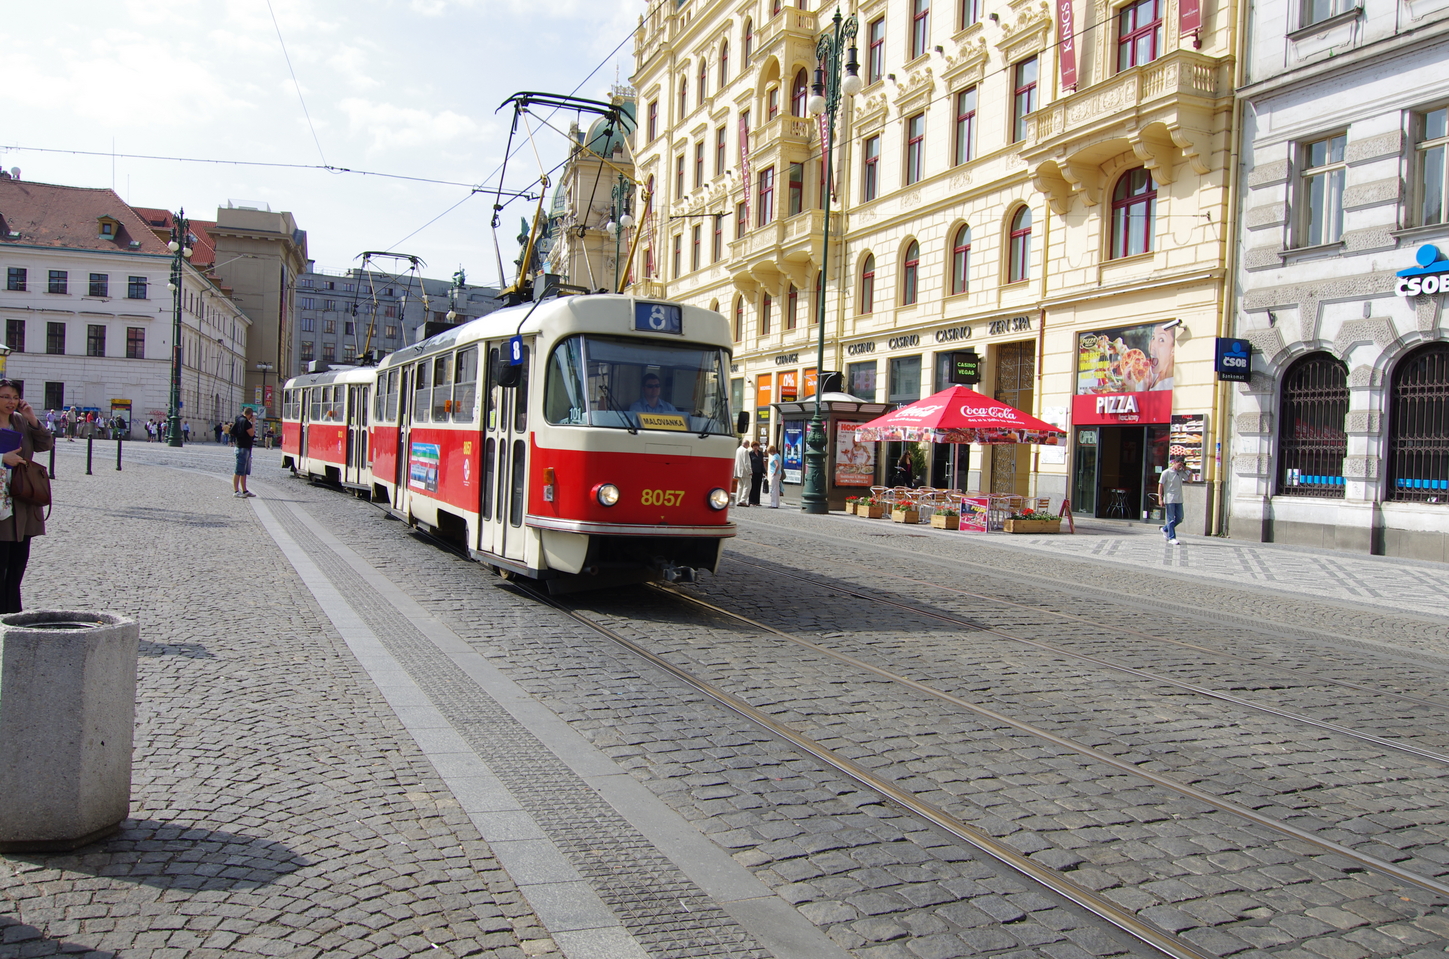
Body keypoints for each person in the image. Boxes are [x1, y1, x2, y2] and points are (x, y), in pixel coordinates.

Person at [0, 380, 53, 613]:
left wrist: (32, 418)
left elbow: (45, 444)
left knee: (18, 563)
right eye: (4, 397)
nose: (10, 401)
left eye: (14, 397)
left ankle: (12, 613)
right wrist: (2, 458)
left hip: (23, 498)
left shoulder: (20, 421)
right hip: (2, 502)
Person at [1159, 454, 1186, 545]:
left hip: (1179, 499)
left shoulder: (1181, 472)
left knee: (1179, 518)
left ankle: (1165, 529)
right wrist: (1160, 498)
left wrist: (1189, 470)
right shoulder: (1166, 472)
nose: (1181, 466)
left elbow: (1190, 480)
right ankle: (1172, 537)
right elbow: (1160, 485)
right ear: (1174, 463)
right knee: (1170, 518)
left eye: (1182, 464)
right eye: (1179, 464)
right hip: (1170, 498)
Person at [232, 408, 257, 498]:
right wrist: (253, 423)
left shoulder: (238, 419)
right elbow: (251, 434)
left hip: (242, 447)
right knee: (239, 470)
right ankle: (236, 491)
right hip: (243, 448)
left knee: (244, 471)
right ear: (250, 414)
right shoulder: (245, 422)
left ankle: (244, 490)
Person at [733, 438, 751, 507]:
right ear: (746, 444)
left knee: (740, 486)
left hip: (738, 471)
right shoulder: (745, 451)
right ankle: (743, 500)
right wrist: (749, 471)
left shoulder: (738, 449)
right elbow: (746, 462)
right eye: (748, 445)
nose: (748, 446)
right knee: (747, 486)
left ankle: (738, 500)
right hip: (744, 471)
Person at [748, 441, 766, 506]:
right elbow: (749, 462)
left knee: (758, 486)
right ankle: (751, 501)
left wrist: (764, 470)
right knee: (753, 486)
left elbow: (762, 461)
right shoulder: (750, 453)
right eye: (754, 446)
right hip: (753, 472)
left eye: (756, 446)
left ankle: (757, 501)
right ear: (752, 447)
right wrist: (750, 470)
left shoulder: (760, 453)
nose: (755, 447)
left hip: (759, 471)